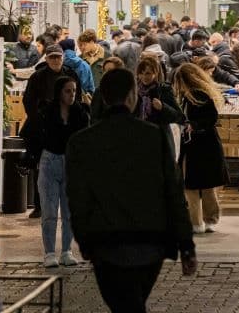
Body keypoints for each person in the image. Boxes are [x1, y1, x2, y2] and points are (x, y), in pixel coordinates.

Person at [66, 68, 197, 313]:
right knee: (132, 304)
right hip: (150, 241)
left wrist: (84, 239)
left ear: (103, 97)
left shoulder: (82, 142)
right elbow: (173, 192)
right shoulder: (154, 136)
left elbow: (78, 197)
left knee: (124, 305)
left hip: (105, 241)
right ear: (132, 96)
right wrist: (186, 244)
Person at [37, 75, 89, 267]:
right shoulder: (47, 112)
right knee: (49, 211)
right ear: (59, 92)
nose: (72, 94)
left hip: (71, 164)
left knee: (69, 212)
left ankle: (66, 251)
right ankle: (49, 252)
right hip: (49, 160)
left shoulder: (81, 113)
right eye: (68, 90)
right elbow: (36, 134)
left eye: (74, 90)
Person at [172, 62, 227, 234]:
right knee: (200, 185)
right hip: (201, 146)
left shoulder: (196, 96)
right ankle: (206, 220)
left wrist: (193, 126)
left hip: (199, 146)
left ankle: (199, 221)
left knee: (194, 185)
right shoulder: (194, 95)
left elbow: (210, 118)